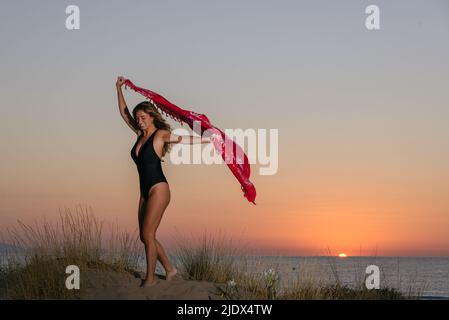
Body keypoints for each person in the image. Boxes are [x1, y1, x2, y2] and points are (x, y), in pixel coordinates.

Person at [116, 76, 211, 287]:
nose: (139, 120)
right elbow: (124, 114)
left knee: (149, 234)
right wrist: (118, 88)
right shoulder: (138, 134)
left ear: (151, 117)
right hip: (144, 191)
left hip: (159, 189)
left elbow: (184, 139)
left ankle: (149, 280)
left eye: (142, 117)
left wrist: (207, 139)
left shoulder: (160, 135)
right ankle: (170, 269)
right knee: (144, 236)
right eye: (137, 118)